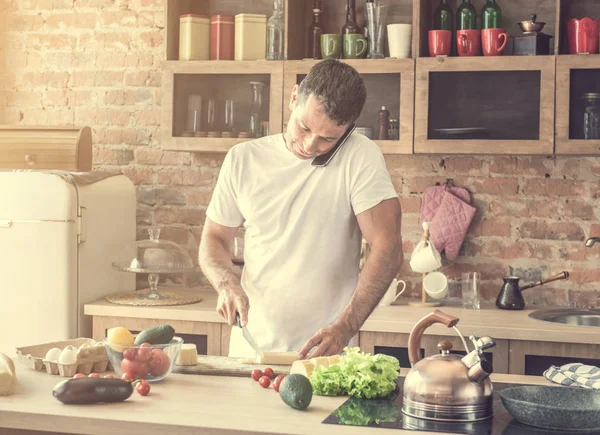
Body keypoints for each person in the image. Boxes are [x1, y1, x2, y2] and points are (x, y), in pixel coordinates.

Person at [199, 59, 403, 360]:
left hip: (327, 354)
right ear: (294, 97)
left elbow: (387, 248)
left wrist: (345, 328)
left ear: (348, 131)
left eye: (328, 139)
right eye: (304, 127)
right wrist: (226, 284)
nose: (309, 145)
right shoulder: (243, 159)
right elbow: (214, 239)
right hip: (250, 347)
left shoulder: (360, 156)